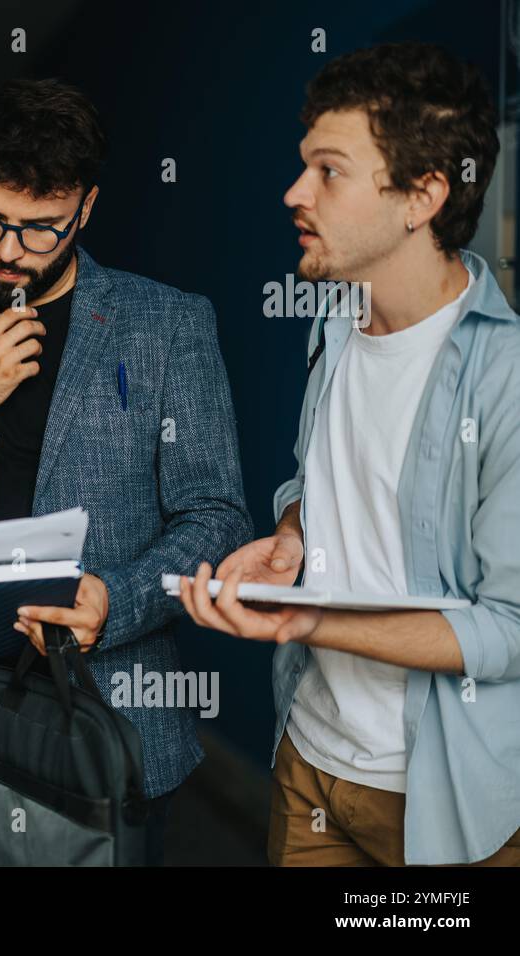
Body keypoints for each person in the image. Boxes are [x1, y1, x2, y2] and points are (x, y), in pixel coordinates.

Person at [0, 78, 253, 866]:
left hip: (108, 707)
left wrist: (115, 601)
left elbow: (218, 516)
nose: (9, 251)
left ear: (86, 208)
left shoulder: (168, 324)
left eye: (40, 229)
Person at [179, 42, 520, 866]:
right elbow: (318, 478)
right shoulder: (333, 322)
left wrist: (314, 620)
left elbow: (508, 630)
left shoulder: (505, 376)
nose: (294, 193)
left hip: (445, 796)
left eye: (328, 170)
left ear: (423, 195)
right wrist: (293, 537)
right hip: (309, 761)